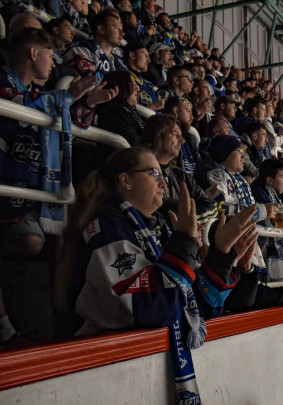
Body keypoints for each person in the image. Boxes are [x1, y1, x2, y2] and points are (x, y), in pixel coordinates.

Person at [0, 27, 116, 343]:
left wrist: (86, 104)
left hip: (21, 190)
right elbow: (24, 104)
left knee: (41, 243)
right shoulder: (5, 81)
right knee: (34, 243)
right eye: (50, 56)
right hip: (9, 186)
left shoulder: (35, 91)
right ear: (33, 53)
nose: (53, 64)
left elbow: (61, 117)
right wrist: (68, 96)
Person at [58, 148, 244, 335]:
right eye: (154, 174)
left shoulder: (160, 229)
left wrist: (221, 254)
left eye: (162, 175)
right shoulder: (106, 231)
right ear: (126, 181)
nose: (163, 183)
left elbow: (196, 308)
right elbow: (150, 310)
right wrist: (184, 244)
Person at [135, 114, 217, 226]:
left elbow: (210, 205)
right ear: (157, 135)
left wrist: (186, 220)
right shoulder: (139, 171)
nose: (182, 140)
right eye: (175, 134)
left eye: (181, 135)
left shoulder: (181, 175)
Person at [64, 8, 127, 81]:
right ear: (101, 30)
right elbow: (88, 83)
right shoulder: (82, 49)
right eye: (117, 28)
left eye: (121, 29)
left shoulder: (117, 61)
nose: (122, 33)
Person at [94, 70, 144, 145]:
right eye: (133, 85)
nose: (137, 89)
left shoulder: (129, 110)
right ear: (121, 86)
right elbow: (133, 142)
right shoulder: (114, 113)